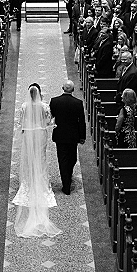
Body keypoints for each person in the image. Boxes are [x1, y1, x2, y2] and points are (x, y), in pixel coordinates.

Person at [12, 84, 62, 238]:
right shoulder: (44, 106)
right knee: (41, 158)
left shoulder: (24, 105)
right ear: (39, 93)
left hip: (28, 134)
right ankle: (40, 181)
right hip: (40, 134)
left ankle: (28, 180)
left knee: (29, 157)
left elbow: (21, 122)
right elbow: (48, 122)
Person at [49, 79, 86, 196]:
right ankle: (66, 183)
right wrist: (82, 137)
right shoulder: (78, 103)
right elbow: (82, 122)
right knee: (72, 158)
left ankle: (66, 180)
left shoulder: (54, 101)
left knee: (62, 159)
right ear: (73, 90)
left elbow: (51, 116)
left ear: (62, 88)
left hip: (60, 134)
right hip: (73, 135)